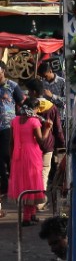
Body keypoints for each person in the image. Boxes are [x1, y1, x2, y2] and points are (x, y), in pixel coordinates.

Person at [8, 102, 51, 223]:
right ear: (35, 108)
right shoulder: (34, 121)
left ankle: (32, 215)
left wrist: (12, 158)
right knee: (32, 185)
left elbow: (11, 142)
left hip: (18, 156)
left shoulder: (15, 120)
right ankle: (27, 218)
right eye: (38, 109)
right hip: (32, 155)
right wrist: (47, 128)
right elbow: (41, 140)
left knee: (24, 185)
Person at [0, 61, 27, 214]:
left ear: (3, 70)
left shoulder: (12, 86)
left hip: (8, 126)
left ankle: (13, 183)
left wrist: (24, 120)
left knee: (6, 155)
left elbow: (23, 103)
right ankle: (4, 184)